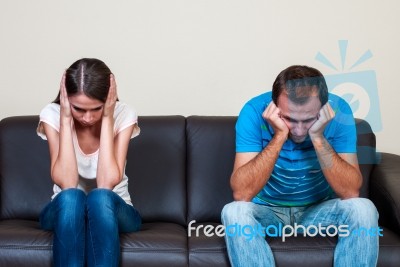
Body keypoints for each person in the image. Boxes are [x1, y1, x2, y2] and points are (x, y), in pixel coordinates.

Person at [221, 65, 379, 267]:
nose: (298, 130)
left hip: (318, 212)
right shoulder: (253, 111)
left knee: (363, 208)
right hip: (268, 212)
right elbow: (242, 194)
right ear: (274, 107)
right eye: (289, 119)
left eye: (308, 120)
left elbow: (350, 191)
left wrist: (318, 136)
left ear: (323, 110)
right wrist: (279, 136)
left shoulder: (340, 112)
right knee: (234, 212)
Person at [37, 58, 141, 267]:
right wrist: (66, 119)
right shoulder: (53, 114)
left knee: (99, 198)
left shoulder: (123, 114)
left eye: (96, 109)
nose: (87, 118)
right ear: (67, 100)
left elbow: (106, 183)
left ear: (108, 101)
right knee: (72, 198)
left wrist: (108, 117)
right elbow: (67, 183)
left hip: (113, 209)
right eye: (79, 109)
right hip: (65, 209)